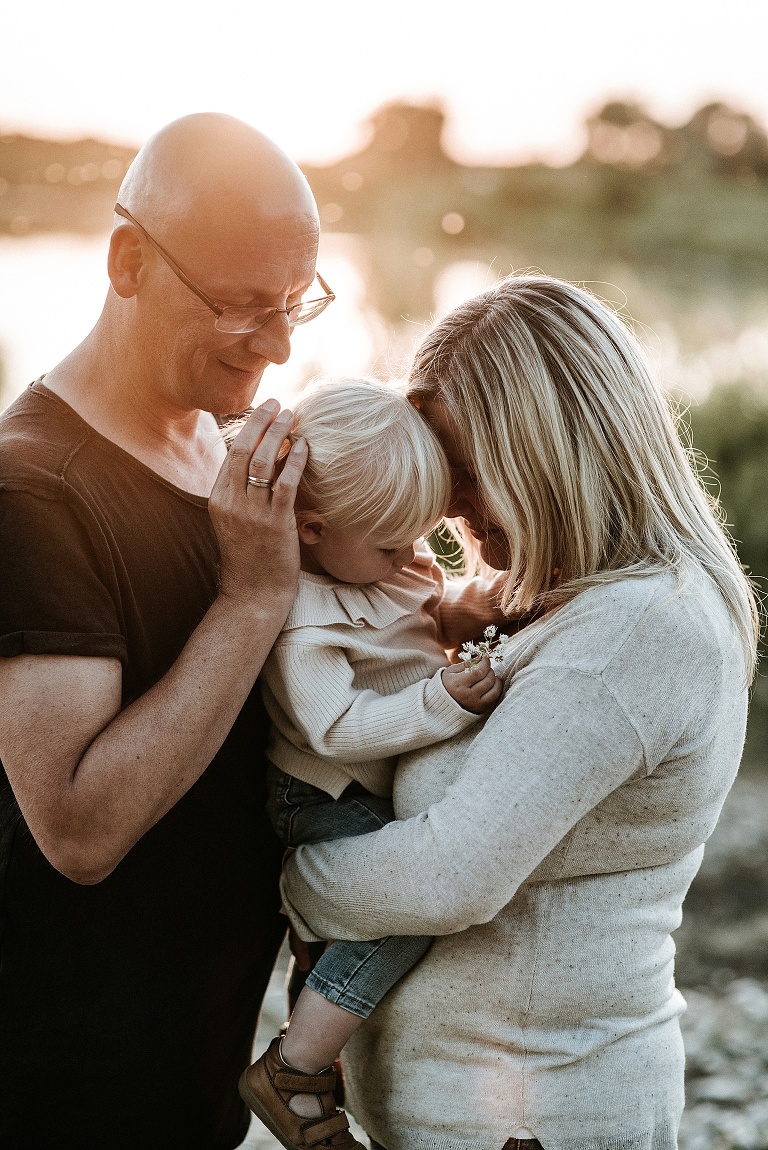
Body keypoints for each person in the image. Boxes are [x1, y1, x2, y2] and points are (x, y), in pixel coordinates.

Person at [279, 275, 760, 1150]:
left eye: (464, 474)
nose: (447, 512)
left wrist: (277, 874)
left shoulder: (637, 628)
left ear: (550, 453)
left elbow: (447, 877)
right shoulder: (551, 600)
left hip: (539, 1116)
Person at [0, 113, 332, 1150]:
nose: (277, 346)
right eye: (241, 306)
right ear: (128, 259)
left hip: (195, 1060)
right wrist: (249, 599)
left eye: (294, 305)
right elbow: (77, 829)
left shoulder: (216, 448)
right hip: (68, 1081)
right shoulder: (32, 489)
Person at [237, 378, 509, 1149]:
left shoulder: (382, 563)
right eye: (395, 545)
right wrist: (443, 702)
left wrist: (460, 613)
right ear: (314, 529)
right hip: (325, 788)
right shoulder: (304, 618)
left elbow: (415, 618)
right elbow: (337, 725)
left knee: (344, 935)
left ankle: (319, 1057)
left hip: (359, 780)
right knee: (405, 911)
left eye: (421, 539)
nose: (413, 558)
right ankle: (291, 1067)